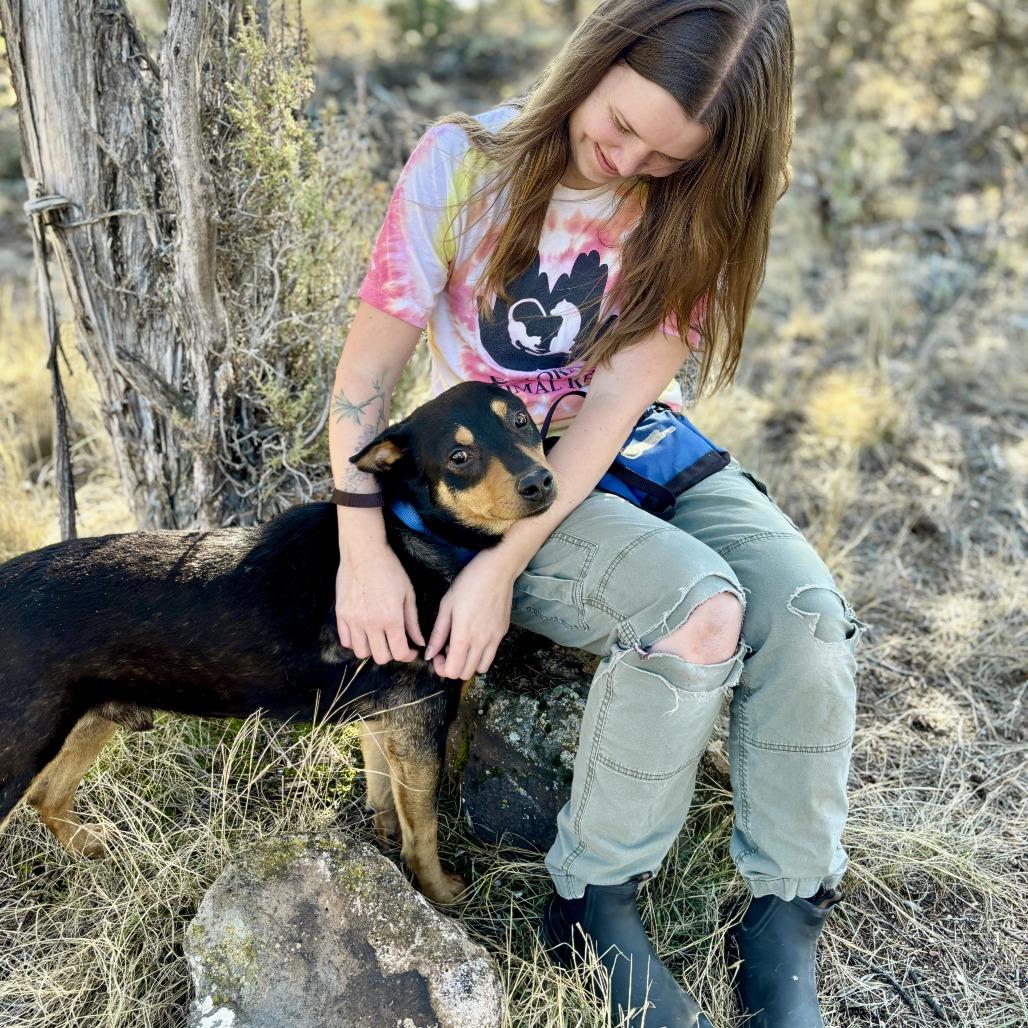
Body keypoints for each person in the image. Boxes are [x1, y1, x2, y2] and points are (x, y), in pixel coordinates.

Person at [328, 1, 863, 1024]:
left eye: (664, 158)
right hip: (495, 472)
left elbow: (613, 409)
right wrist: (374, 543)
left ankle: (787, 905)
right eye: (619, 125)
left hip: (632, 448)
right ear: (597, 59)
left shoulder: (695, 204)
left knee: (803, 612)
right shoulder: (462, 164)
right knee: (697, 611)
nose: (625, 162)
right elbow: (360, 386)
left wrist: (501, 570)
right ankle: (590, 898)